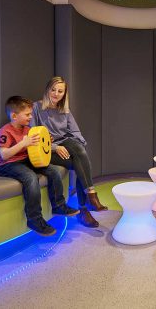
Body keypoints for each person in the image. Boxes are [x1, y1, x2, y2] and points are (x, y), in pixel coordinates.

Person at [0, 96, 80, 236]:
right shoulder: (5, 131)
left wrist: (46, 140)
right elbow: (4, 155)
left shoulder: (28, 129)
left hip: (24, 160)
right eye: (27, 114)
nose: (30, 117)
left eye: (30, 114)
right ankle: (34, 219)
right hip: (7, 164)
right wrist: (23, 143)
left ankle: (59, 206)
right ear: (14, 116)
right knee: (31, 178)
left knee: (53, 171)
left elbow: (36, 146)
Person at [31, 76, 108, 228]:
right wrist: (55, 147)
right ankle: (87, 205)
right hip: (47, 149)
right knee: (81, 164)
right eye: (53, 90)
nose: (56, 94)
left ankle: (88, 203)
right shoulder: (36, 108)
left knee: (80, 152)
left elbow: (75, 131)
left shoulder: (64, 110)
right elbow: (32, 136)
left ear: (64, 94)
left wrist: (80, 146)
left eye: (60, 91)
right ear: (47, 90)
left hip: (66, 144)